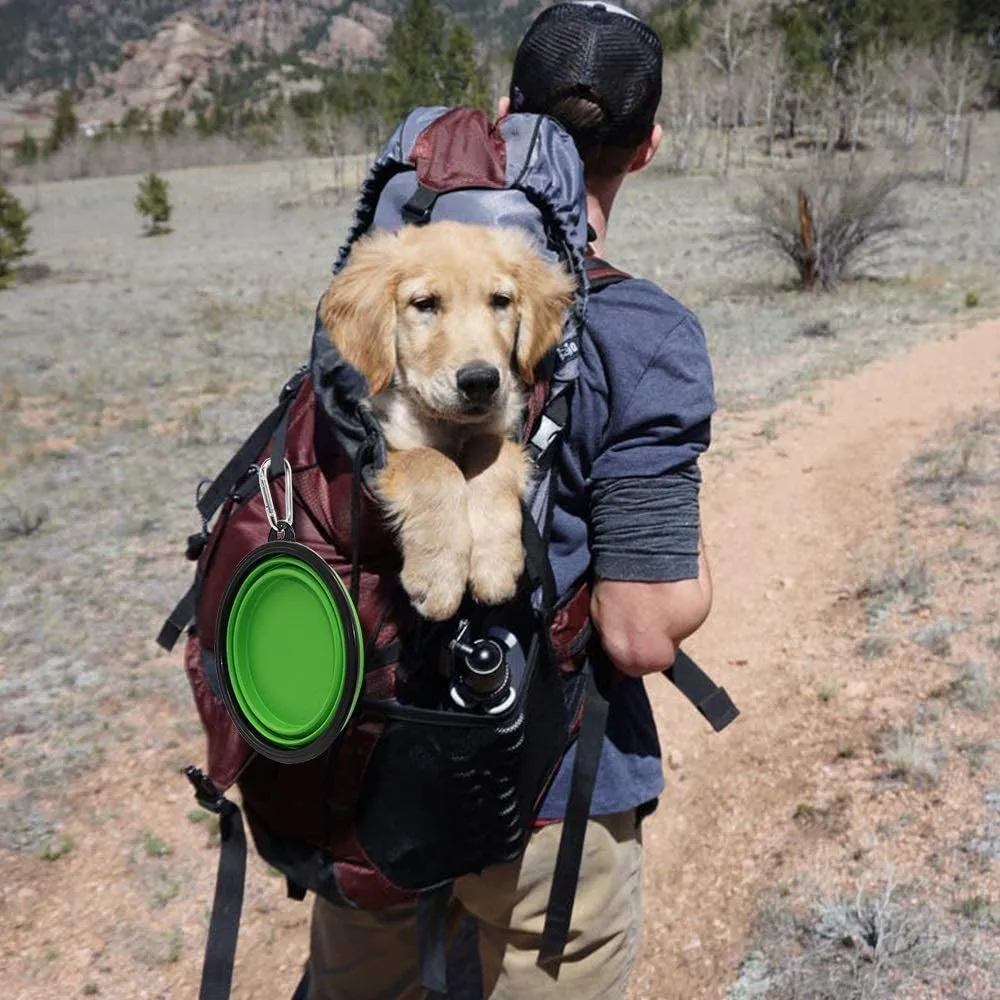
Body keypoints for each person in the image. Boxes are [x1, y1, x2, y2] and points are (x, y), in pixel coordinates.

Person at [306, 3, 716, 997]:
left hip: (366, 769)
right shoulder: (647, 334)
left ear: (506, 117)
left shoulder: (385, 293)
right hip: (544, 800)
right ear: (649, 144)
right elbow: (640, 628)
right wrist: (695, 569)